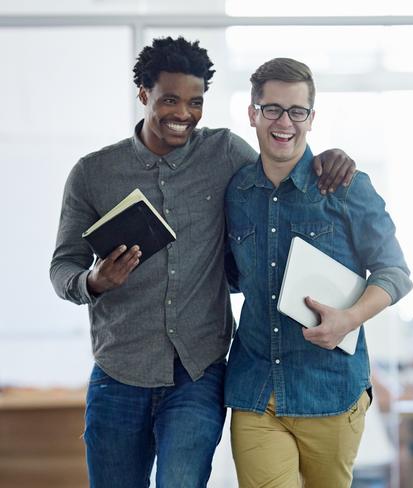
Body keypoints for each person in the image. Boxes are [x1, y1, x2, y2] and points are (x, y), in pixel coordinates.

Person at [49, 37, 356, 488]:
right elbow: (62, 267)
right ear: (143, 95)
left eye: (195, 102)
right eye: (169, 99)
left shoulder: (225, 153)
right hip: (119, 372)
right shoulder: (94, 173)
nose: (183, 114)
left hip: (198, 371)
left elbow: (282, 175)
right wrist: (92, 281)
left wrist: (328, 157)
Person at [224, 57, 413, 488]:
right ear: (253, 113)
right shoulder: (235, 193)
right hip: (255, 390)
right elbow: (232, 275)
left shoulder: (346, 186)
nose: (284, 122)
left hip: (330, 390)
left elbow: (395, 271)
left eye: (297, 111)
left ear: (312, 118)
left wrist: (349, 318)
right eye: (272, 109)